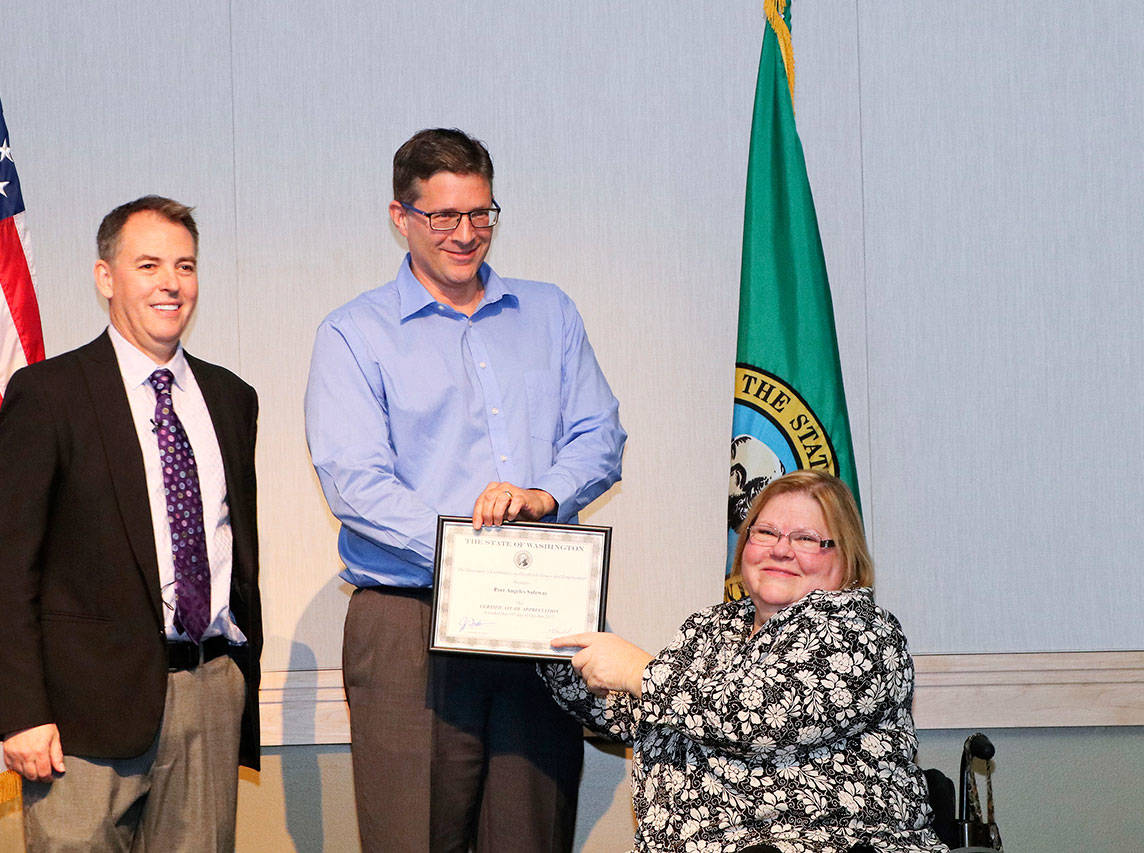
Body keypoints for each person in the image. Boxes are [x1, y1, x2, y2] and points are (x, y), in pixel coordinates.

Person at [305, 128, 626, 851]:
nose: (466, 233)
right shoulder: (355, 334)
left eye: (481, 214)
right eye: (443, 216)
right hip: (409, 626)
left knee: (531, 835)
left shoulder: (551, 313)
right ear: (401, 217)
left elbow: (601, 436)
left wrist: (544, 496)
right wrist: (471, 547)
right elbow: (356, 483)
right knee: (413, 835)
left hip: (537, 624)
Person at [0, 196, 262, 851]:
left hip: (210, 691)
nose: (171, 282)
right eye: (149, 264)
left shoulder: (229, 397)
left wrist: (237, 681)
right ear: (106, 277)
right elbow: (7, 566)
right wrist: (22, 711)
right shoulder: (48, 395)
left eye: (185, 266)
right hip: (83, 711)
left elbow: (232, 551)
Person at [544, 471, 947, 853]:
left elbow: (759, 715)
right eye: (766, 532)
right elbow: (636, 715)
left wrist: (639, 671)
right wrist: (547, 646)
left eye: (806, 538)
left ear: (847, 556)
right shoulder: (711, 626)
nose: (780, 549)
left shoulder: (862, 629)